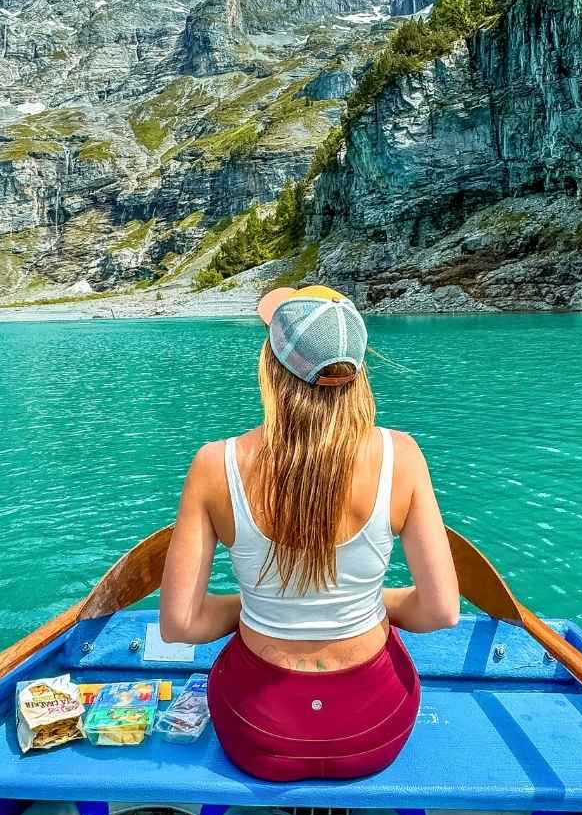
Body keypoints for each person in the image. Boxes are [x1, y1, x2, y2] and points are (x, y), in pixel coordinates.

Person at [159, 284, 460, 781]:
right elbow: (442, 610)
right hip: (375, 728)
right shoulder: (401, 457)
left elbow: (180, 625)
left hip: (257, 729)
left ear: (270, 368)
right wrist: (367, 602)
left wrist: (260, 607)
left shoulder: (216, 465)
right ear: (358, 373)